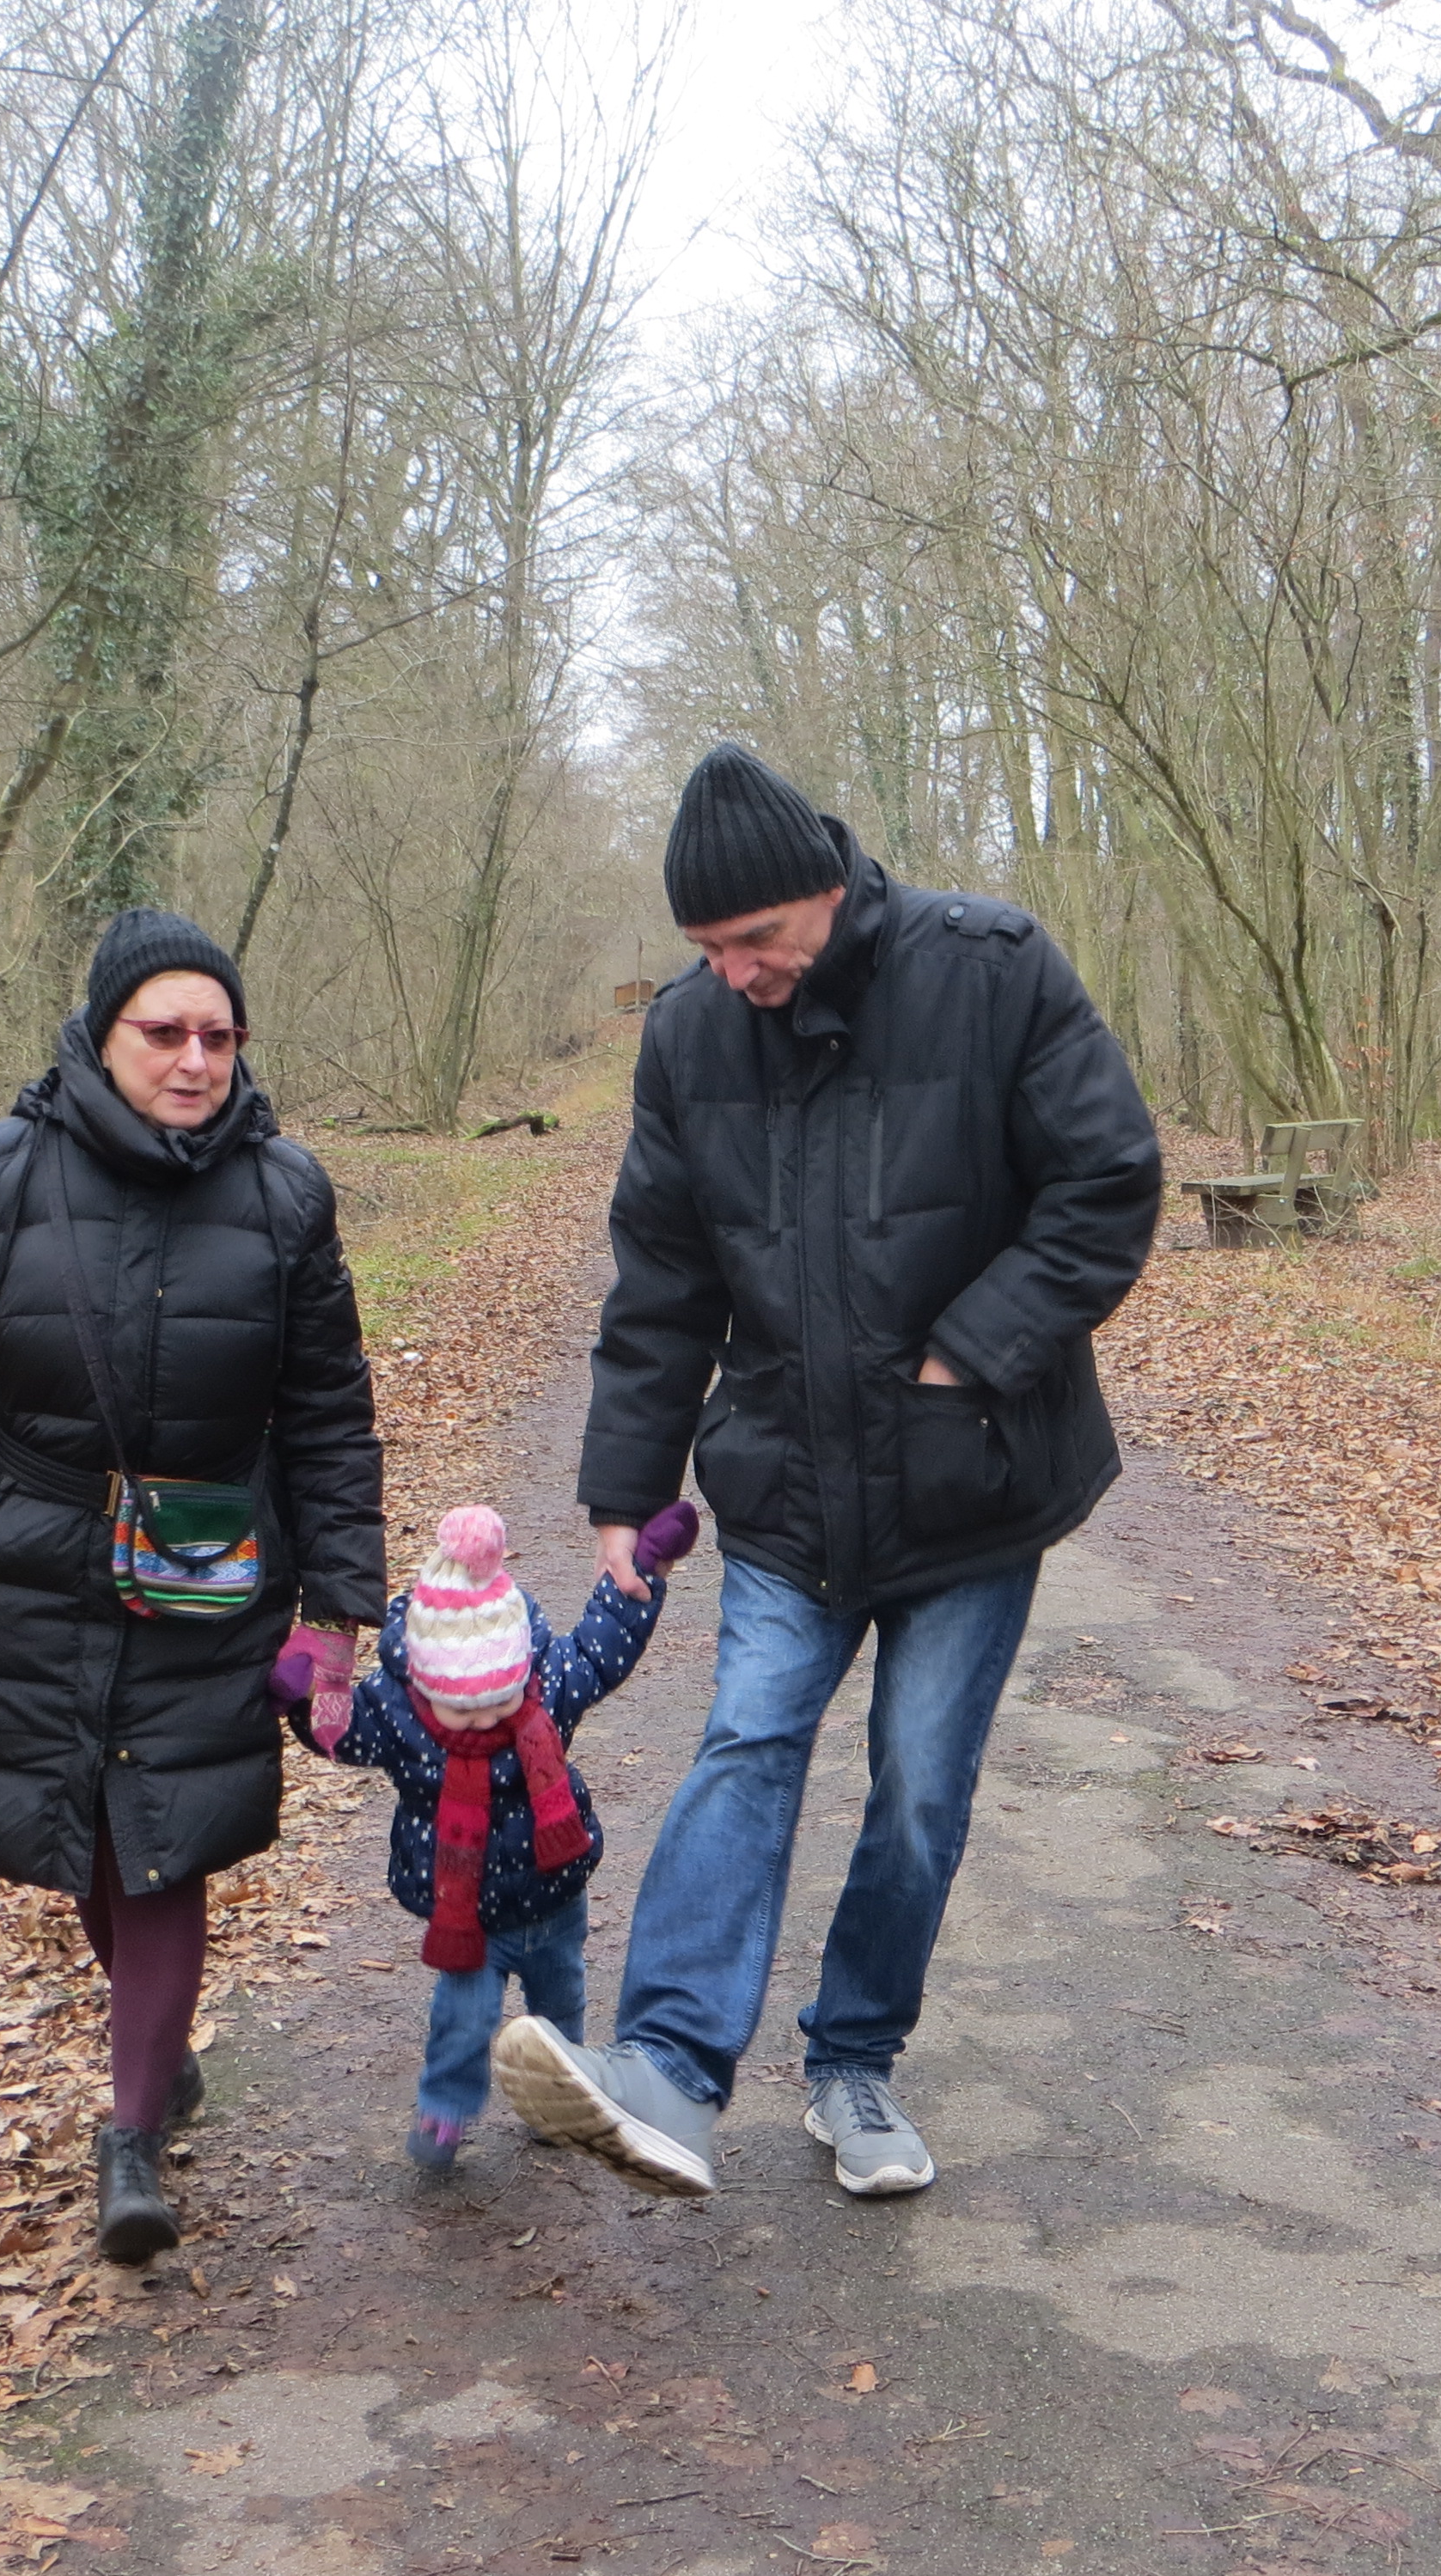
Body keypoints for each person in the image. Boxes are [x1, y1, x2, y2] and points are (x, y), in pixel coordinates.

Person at [494, 742, 1161, 2200]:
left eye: (756, 939)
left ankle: (855, 2064)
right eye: (706, 949)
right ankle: (669, 2072)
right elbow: (662, 1279)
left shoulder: (993, 970)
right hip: (788, 1483)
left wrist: (968, 1352)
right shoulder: (689, 1035)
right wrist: (625, 1487)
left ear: (831, 887)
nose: (733, 973)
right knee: (746, 1739)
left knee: (920, 1787)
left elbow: (1107, 1181)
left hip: (974, 1481)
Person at [0, 910, 382, 2265]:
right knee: (84, 1829)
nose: (195, 1060)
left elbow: (328, 1410)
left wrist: (339, 1606)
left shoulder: (285, 1192)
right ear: (102, 1037)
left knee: (161, 1833)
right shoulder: (3, 1172)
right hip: (31, 1554)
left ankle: (131, 2135)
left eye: (219, 1035)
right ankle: (155, 2045)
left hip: (209, 1561)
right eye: (164, 1032)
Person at [276, 1500, 702, 2168]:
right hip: (465, 1910)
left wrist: (644, 1568)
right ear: (423, 1685)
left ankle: (560, 2097)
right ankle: (445, 2108)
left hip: (553, 1892)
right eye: (462, 1709)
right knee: (462, 2018)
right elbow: (341, 1731)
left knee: (560, 2006)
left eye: (500, 1701)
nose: (483, 1721)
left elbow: (603, 1645)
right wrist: (302, 1699)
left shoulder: (545, 1682)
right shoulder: (395, 1710)